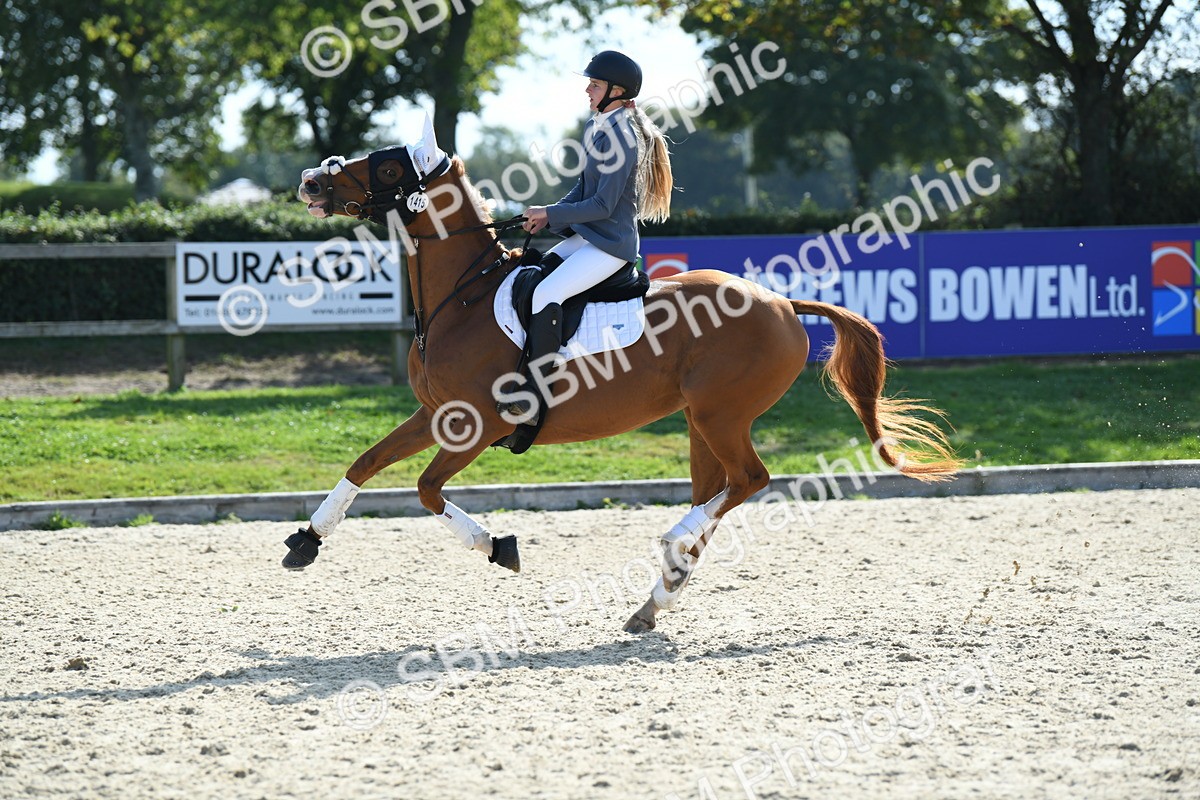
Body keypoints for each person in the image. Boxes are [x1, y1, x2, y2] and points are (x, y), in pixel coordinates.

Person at [500, 50, 674, 419]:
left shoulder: (622, 136)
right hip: (590, 237)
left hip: (611, 245)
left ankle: (533, 395)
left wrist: (552, 214)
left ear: (616, 91)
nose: (587, 90)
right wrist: (548, 214)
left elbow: (603, 205)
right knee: (534, 275)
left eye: (594, 85)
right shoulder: (598, 126)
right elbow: (582, 189)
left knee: (547, 293)